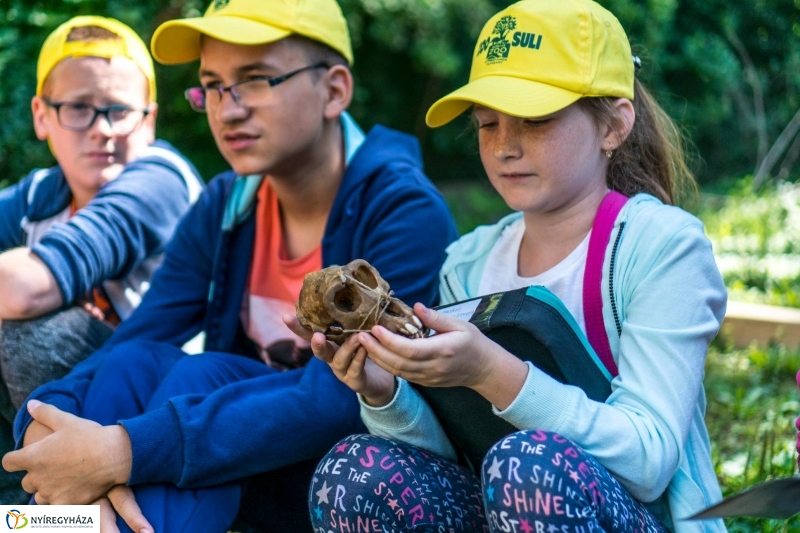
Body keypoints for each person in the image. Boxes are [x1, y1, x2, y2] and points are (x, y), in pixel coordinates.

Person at [2, 0, 457, 531]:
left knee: (202, 372)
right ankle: (74, 520)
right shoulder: (225, 204)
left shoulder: (403, 211)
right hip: (231, 459)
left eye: (256, 79)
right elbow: (139, 337)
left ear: (334, 89)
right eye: (213, 85)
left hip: (352, 478)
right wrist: (44, 426)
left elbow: (338, 400)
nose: (228, 108)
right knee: (136, 361)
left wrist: (120, 451)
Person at [300, 1, 729, 532]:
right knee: (354, 470)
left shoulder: (662, 247)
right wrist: (384, 390)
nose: (504, 145)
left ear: (614, 125)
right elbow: (455, 459)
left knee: (527, 467)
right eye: (486, 123)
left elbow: (648, 463)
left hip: (632, 516)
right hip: (506, 500)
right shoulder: (469, 261)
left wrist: (491, 371)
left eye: (537, 119)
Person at [0, 16, 202, 504]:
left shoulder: (162, 180)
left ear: (149, 120)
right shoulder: (37, 196)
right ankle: (20, 510)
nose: (102, 130)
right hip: (85, 388)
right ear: (41, 115)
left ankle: (68, 509)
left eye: (119, 110)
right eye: (78, 109)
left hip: (167, 406)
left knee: (25, 329)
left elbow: (24, 290)